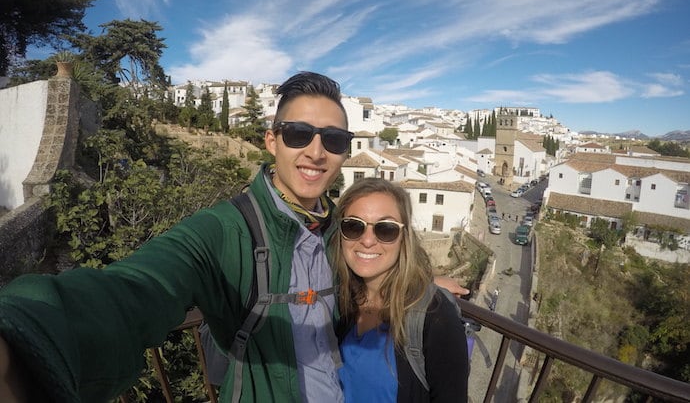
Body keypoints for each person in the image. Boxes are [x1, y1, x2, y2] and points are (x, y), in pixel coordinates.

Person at [0, 71, 467, 402]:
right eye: (299, 134)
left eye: (334, 140)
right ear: (271, 140)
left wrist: (418, 285)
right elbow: (139, 287)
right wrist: (26, 339)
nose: (316, 151)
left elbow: (372, 256)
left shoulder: (337, 229)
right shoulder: (225, 229)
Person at [332, 178, 469, 403]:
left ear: (404, 238)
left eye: (385, 230)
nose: (367, 241)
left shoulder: (436, 318)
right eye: (353, 226)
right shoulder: (339, 296)